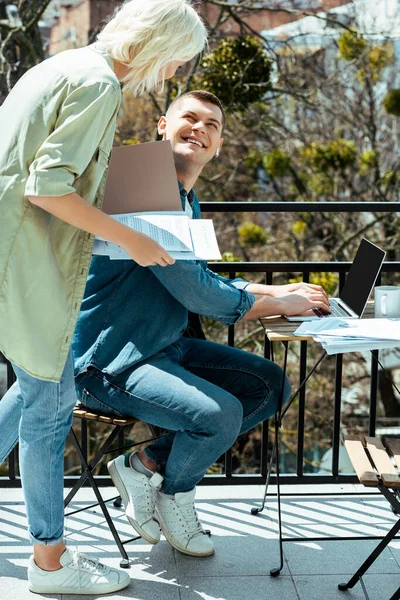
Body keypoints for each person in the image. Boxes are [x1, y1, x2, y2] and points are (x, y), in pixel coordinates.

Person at [1, 92, 329, 561]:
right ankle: (175, 496)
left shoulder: (183, 197)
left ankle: (146, 463)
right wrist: (279, 299)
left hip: (161, 346)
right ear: (162, 125)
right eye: (189, 118)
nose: (200, 129)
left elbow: (196, 278)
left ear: (218, 144)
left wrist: (276, 293)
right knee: (217, 415)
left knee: (270, 385)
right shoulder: (141, 182)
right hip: (107, 360)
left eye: (211, 125)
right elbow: (199, 295)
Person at [0, 1, 206, 595]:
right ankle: (50, 561)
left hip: (16, 258)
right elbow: (48, 187)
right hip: (31, 263)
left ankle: (48, 554)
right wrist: (133, 239)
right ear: (157, 44)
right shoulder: (98, 85)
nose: (169, 76)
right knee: (48, 406)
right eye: (175, 63)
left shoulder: (58, 66)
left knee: (34, 387)